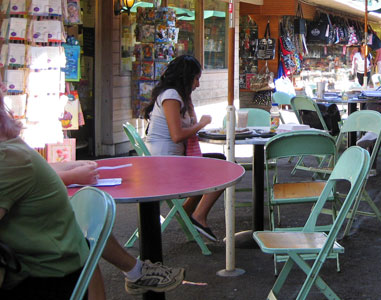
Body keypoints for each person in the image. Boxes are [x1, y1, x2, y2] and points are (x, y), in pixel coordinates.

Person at [0, 93, 184, 298]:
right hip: (67, 259)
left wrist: (70, 173)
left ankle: (136, 270)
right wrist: (70, 169)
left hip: (44, 274)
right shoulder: (11, 147)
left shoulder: (7, 157)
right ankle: (136, 270)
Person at [142, 55, 221, 241]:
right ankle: (198, 216)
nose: (198, 84)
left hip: (170, 158)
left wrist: (191, 105)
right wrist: (201, 124)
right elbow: (177, 136)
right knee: (222, 169)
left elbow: (188, 124)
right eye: (196, 78)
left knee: (220, 161)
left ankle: (186, 211)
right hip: (164, 164)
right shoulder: (171, 96)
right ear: (185, 77)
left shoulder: (177, 96)